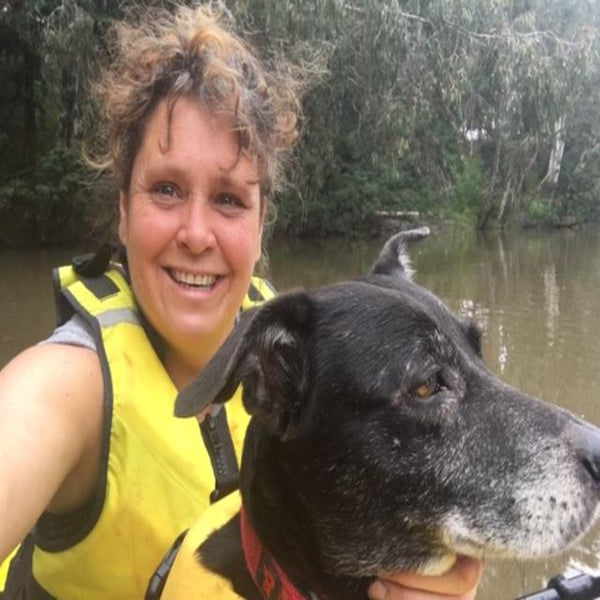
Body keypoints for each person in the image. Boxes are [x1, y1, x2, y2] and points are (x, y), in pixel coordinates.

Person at [0, 4, 483, 599]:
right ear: (124, 212)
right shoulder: (68, 387)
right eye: (167, 189)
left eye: (229, 199)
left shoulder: (299, 354)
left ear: (260, 225)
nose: (197, 233)